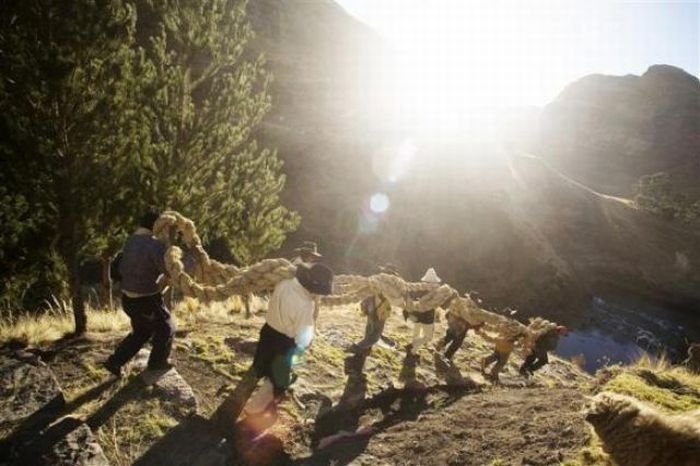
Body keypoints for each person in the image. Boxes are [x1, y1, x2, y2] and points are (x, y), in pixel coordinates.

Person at [244, 262, 334, 415]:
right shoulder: (305, 305)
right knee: (276, 379)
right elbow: (303, 338)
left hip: (267, 331)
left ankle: (241, 395)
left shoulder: (284, 283)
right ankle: (254, 411)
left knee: (258, 366)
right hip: (284, 343)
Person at [104, 211, 174, 381]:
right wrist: (168, 247)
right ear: (156, 225)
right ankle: (157, 363)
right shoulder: (155, 245)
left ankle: (115, 361)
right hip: (146, 299)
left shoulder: (130, 240)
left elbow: (122, 267)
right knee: (166, 328)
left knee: (142, 332)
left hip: (128, 298)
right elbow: (167, 269)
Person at [349, 264, 399, 353]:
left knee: (369, 329)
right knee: (375, 335)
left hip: (372, 306)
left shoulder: (377, 280)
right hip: (380, 309)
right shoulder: (390, 285)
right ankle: (358, 346)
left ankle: (366, 348)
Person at [404, 267, 442, 356]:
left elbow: (411, 297)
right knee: (428, 337)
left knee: (416, 332)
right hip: (427, 316)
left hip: (416, 313)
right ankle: (412, 347)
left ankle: (412, 351)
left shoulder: (420, 288)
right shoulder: (435, 291)